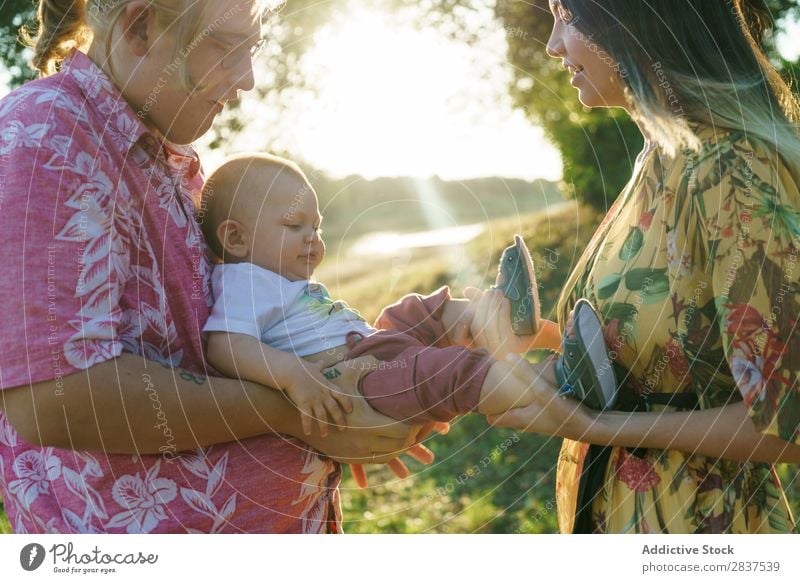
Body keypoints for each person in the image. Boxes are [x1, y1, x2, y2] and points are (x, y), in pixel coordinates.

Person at [0, 0, 439, 534]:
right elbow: (56, 400)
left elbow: (217, 340)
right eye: (229, 47)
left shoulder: (164, 155)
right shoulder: (47, 135)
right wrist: (301, 411)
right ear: (140, 27)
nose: (249, 79)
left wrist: (346, 400)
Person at [473, 0, 800, 533]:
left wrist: (598, 426)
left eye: (567, 16)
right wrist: (530, 342)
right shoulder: (658, 157)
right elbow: (668, 356)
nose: (554, 44)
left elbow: (789, 420)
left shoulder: (731, 170)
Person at [198, 153, 545, 436]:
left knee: (414, 311)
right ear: (236, 239)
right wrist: (293, 375)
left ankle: (498, 314)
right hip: (358, 380)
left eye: (316, 227)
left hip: (371, 348)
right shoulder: (244, 280)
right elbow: (225, 344)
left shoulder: (277, 279)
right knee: (437, 372)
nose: (313, 238)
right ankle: (548, 382)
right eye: (294, 226)